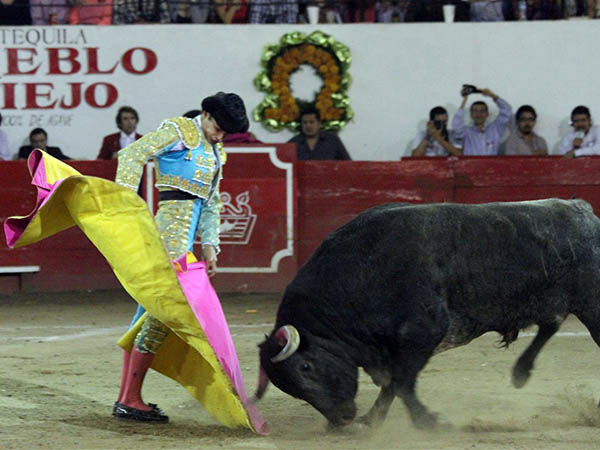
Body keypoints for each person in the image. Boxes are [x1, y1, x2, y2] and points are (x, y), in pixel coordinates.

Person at [113, 92, 249, 422]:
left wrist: (210, 247)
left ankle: (126, 398)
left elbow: (212, 202)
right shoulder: (178, 132)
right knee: (165, 312)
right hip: (166, 239)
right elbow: (131, 155)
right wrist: (124, 204)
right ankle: (130, 398)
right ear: (205, 114)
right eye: (217, 127)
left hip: (183, 245)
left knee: (148, 313)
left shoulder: (216, 151)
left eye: (224, 132)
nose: (219, 135)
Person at [451, 86, 512, 155]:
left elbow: (507, 111)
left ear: (487, 114)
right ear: (471, 114)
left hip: (491, 165)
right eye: (475, 111)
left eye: (482, 111)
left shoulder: (495, 129)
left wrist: (492, 95)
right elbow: (456, 126)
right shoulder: (466, 132)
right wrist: (465, 99)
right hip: (471, 165)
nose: (478, 114)